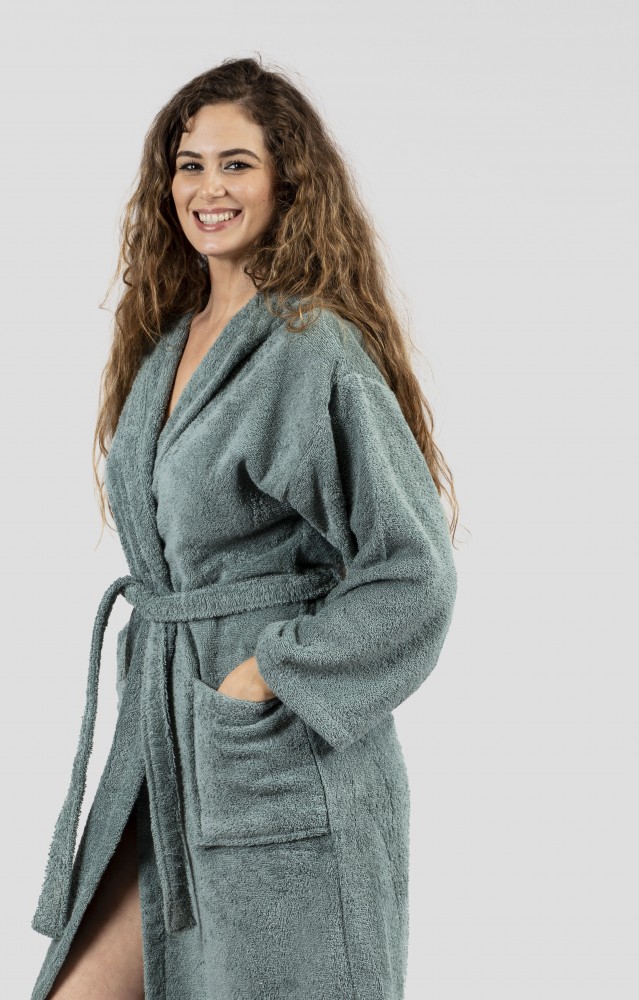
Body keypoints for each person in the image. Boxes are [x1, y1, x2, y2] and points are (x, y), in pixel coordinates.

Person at [28, 55, 460, 1000]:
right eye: (190, 165)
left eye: (237, 165)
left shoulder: (312, 349)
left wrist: (271, 674)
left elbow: (414, 573)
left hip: (274, 757)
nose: (208, 189)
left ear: (285, 182)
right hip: (164, 746)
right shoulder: (167, 346)